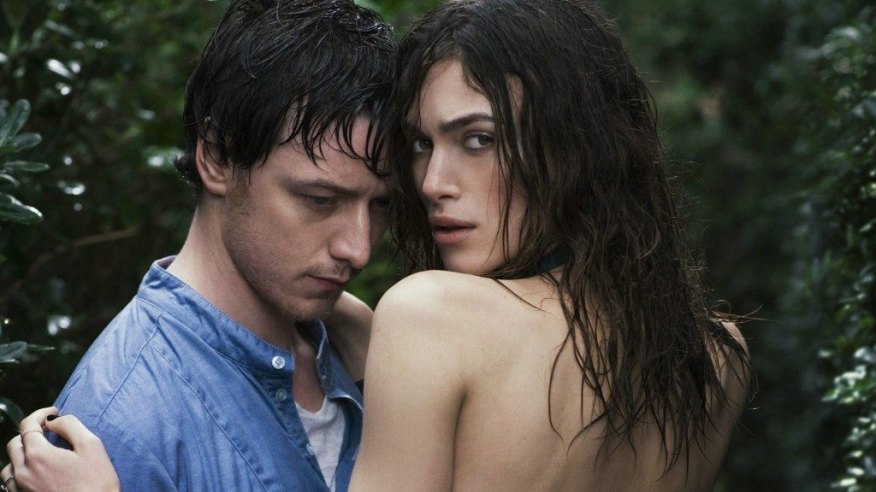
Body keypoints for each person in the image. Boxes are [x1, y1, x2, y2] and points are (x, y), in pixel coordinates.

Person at [5, 0, 751, 490]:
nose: (433, 184)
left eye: (479, 139)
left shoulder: (431, 322)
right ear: (216, 159)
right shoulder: (712, 358)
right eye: (424, 145)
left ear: (576, 146)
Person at [2, 0, 395, 490]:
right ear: (216, 159)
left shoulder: (351, 349)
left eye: (382, 205)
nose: (358, 249)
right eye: (319, 200)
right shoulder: (118, 424)